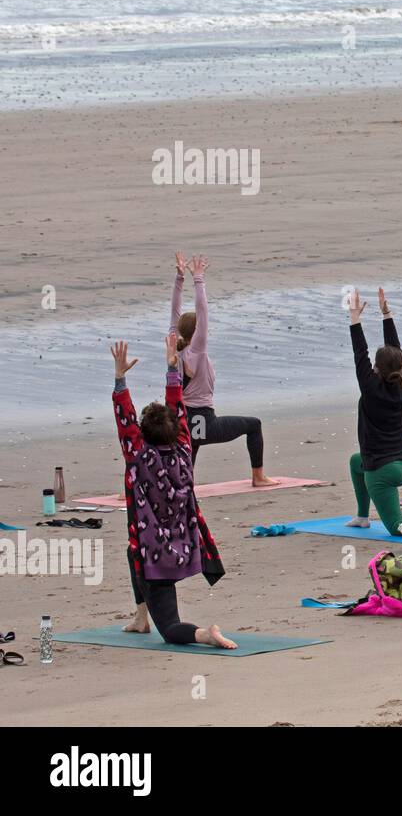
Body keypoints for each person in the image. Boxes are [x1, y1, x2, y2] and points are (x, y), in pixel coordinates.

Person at [113, 335, 235, 648]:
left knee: (169, 629)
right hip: (185, 545)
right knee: (131, 550)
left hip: (156, 556)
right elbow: (178, 407)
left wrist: (120, 377)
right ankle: (141, 617)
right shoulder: (183, 449)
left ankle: (205, 634)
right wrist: (172, 368)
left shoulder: (139, 457)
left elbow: (124, 418)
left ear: (142, 435)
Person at [169, 252, 277, 486]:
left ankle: (178, 483)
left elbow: (174, 315)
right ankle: (258, 476)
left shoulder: (174, 350)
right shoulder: (197, 351)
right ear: (197, 332)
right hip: (206, 423)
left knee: (189, 459)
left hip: (183, 422)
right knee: (254, 424)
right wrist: (198, 279)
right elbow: (203, 313)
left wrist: (179, 279)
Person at [345, 288, 402, 535]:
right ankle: (362, 516)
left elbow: (358, 353)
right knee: (355, 462)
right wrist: (387, 315)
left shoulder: (371, 389)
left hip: (382, 471)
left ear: (376, 368)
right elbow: (395, 351)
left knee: (398, 529)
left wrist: (355, 318)